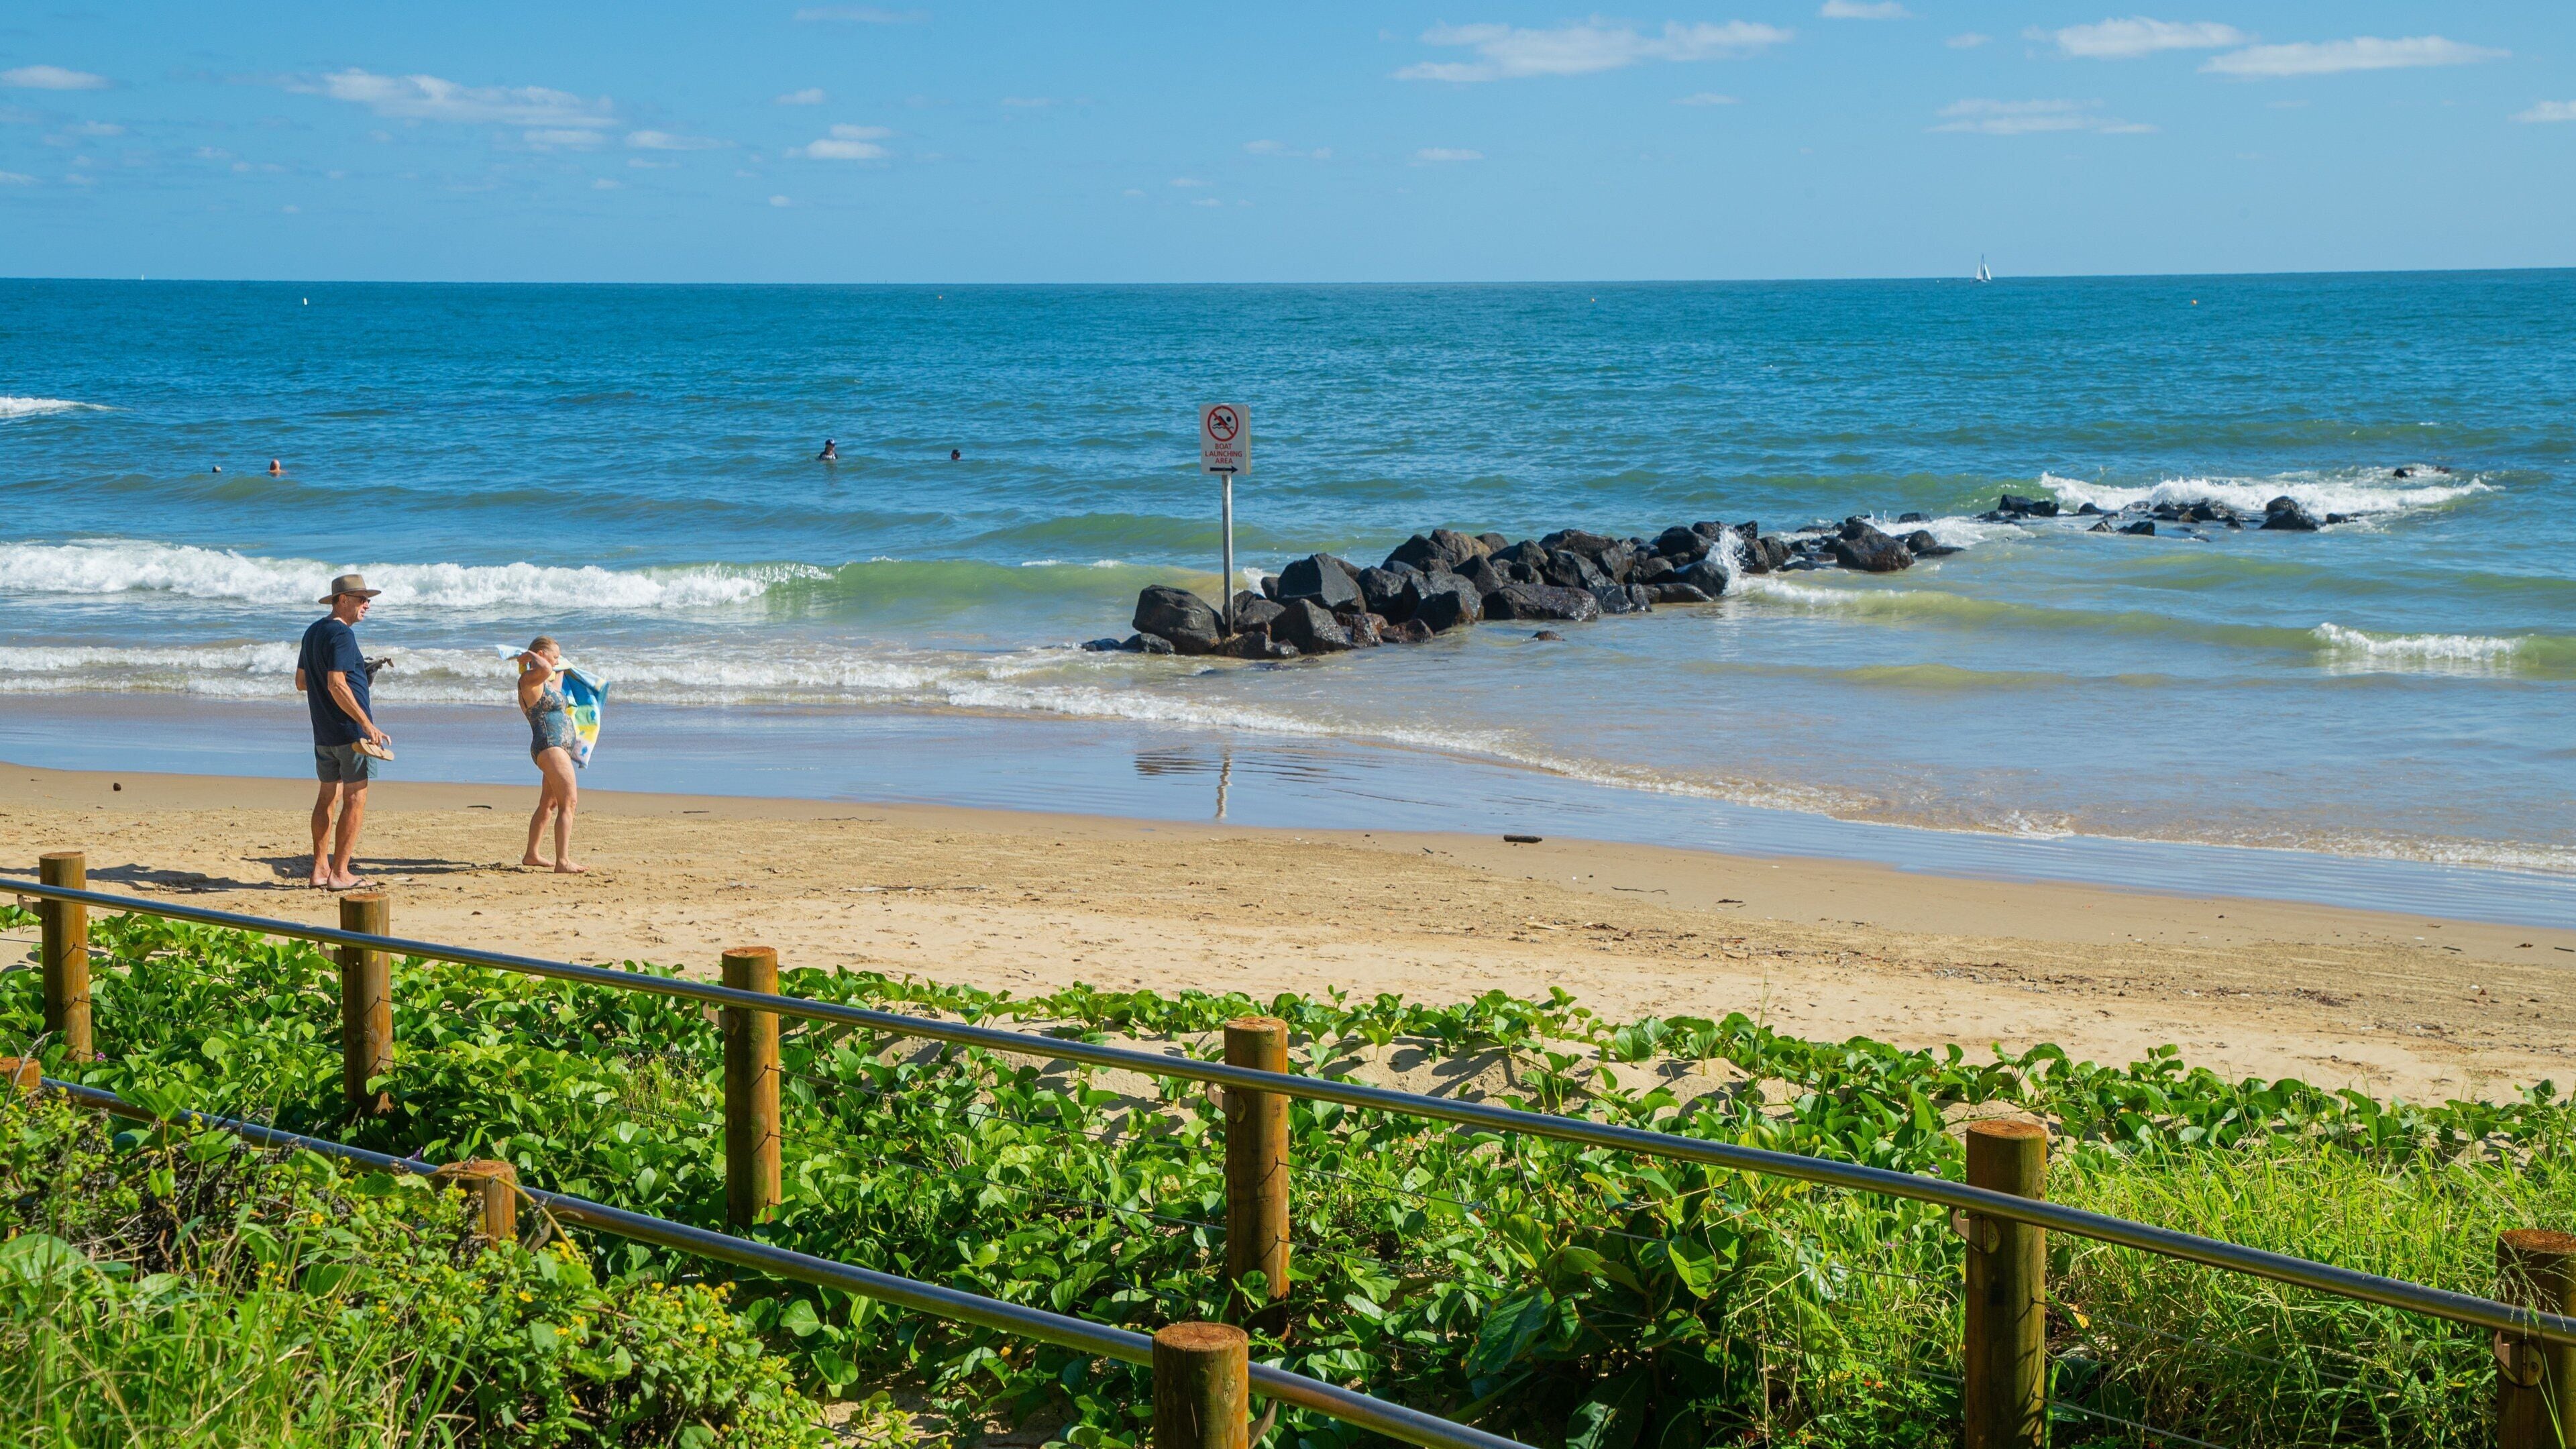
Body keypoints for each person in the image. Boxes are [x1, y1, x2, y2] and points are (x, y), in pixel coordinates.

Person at [295, 574, 391, 890]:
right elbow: (336, 683)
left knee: (327, 796)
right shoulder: (342, 635)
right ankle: (341, 873)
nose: (367, 604)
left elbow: (303, 682)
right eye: (362, 598)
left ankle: (320, 871)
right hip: (351, 734)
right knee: (355, 798)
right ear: (342, 600)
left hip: (323, 731)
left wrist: (358, 677)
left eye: (369, 599)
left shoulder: (312, 632)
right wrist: (366, 724)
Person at [514, 636, 585, 873]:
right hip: (550, 745)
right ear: (541, 655)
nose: (557, 661)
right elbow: (544, 667)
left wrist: (561, 664)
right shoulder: (528, 680)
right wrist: (530, 657)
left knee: (549, 803)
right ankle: (562, 862)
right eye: (554, 656)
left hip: (558, 747)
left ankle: (532, 854)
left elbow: (555, 681)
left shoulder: (545, 684)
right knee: (570, 802)